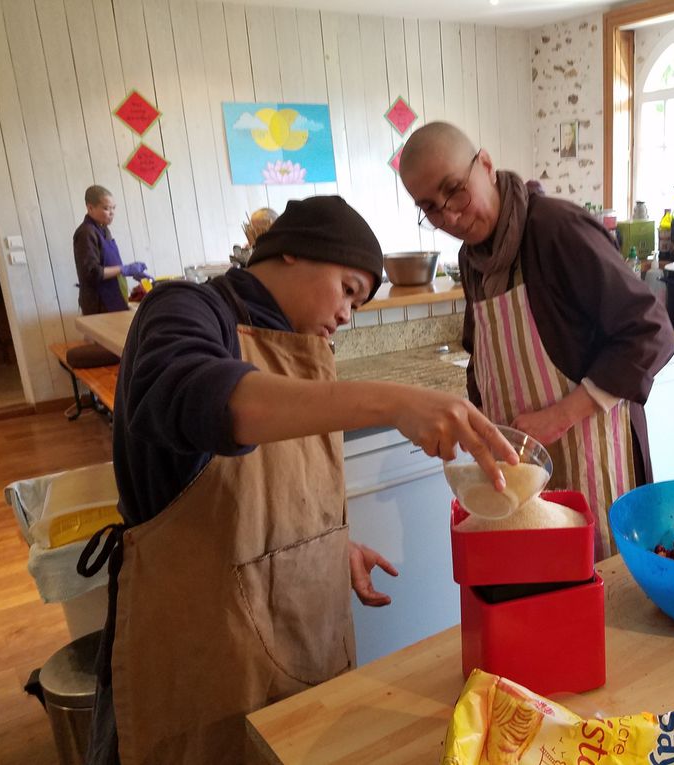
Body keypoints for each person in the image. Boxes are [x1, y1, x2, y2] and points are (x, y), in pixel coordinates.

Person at [78, 195, 517, 764]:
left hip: (300, 636)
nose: (347, 315)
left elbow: (260, 499)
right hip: (198, 652)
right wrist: (389, 401)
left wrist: (323, 546)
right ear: (290, 254)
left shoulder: (300, 349)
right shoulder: (185, 309)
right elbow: (193, 394)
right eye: (348, 290)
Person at [399, 122, 674, 561]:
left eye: (455, 191)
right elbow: (485, 357)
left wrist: (561, 415)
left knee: (598, 590)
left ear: (485, 165)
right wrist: (477, 429)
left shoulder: (556, 229)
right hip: (523, 468)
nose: (449, 216)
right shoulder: (473, 259)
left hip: (592, 459)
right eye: (430, 207)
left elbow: (651, 331)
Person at [73, 185, 149, 316]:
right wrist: (123, 269)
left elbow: (109, 264)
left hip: (113, 298)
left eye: (114, 208)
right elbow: (92, 273)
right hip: (99, 304)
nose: (112, 212)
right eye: (106, 208)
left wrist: (128, 273)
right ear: (90, 208)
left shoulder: (103, 229)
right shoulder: (86, 233)